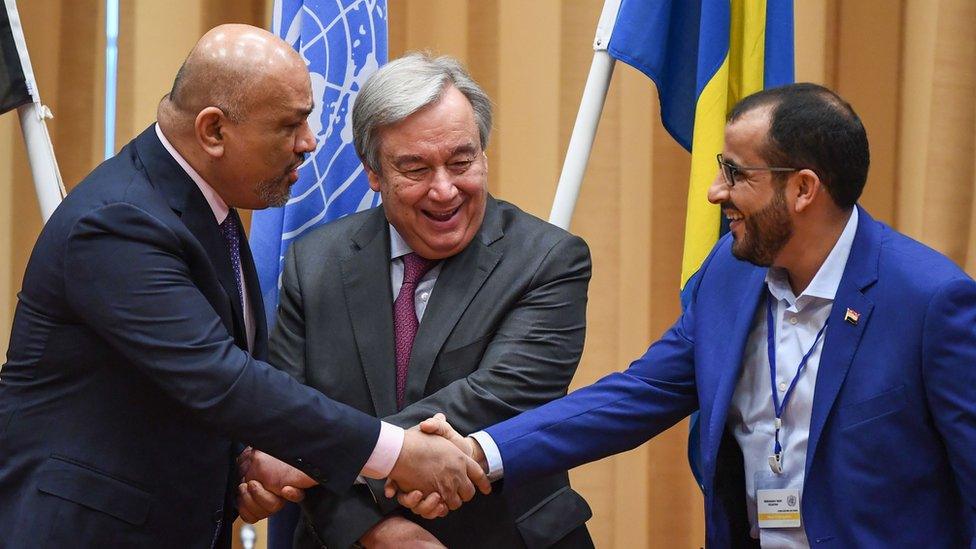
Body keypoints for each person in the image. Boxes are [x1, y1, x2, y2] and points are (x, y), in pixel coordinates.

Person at [402, 83, 976, 547]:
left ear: (803, 189)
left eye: (735, 173)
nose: (713, 191)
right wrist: (480, 452)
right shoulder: (730, 271)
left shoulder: (930, 302)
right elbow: (634, 396)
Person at [0, 25, 486, 548]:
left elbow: (172, 387)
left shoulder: (204, 208)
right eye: (290, 124)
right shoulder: (119, 223)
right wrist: (398, 453)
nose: (310, 143)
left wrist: (246, 460)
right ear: (213, 132)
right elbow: (222, 379)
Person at [246, 52, 594, 548]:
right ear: (372, 172)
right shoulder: (314, 263)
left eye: (461, 161)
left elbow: (497, 400)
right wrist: (373, 529)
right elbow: (287, 417)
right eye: (415, 168)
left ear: (484, 154)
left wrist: (319, 457)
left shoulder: (548, 260)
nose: (445, 190)